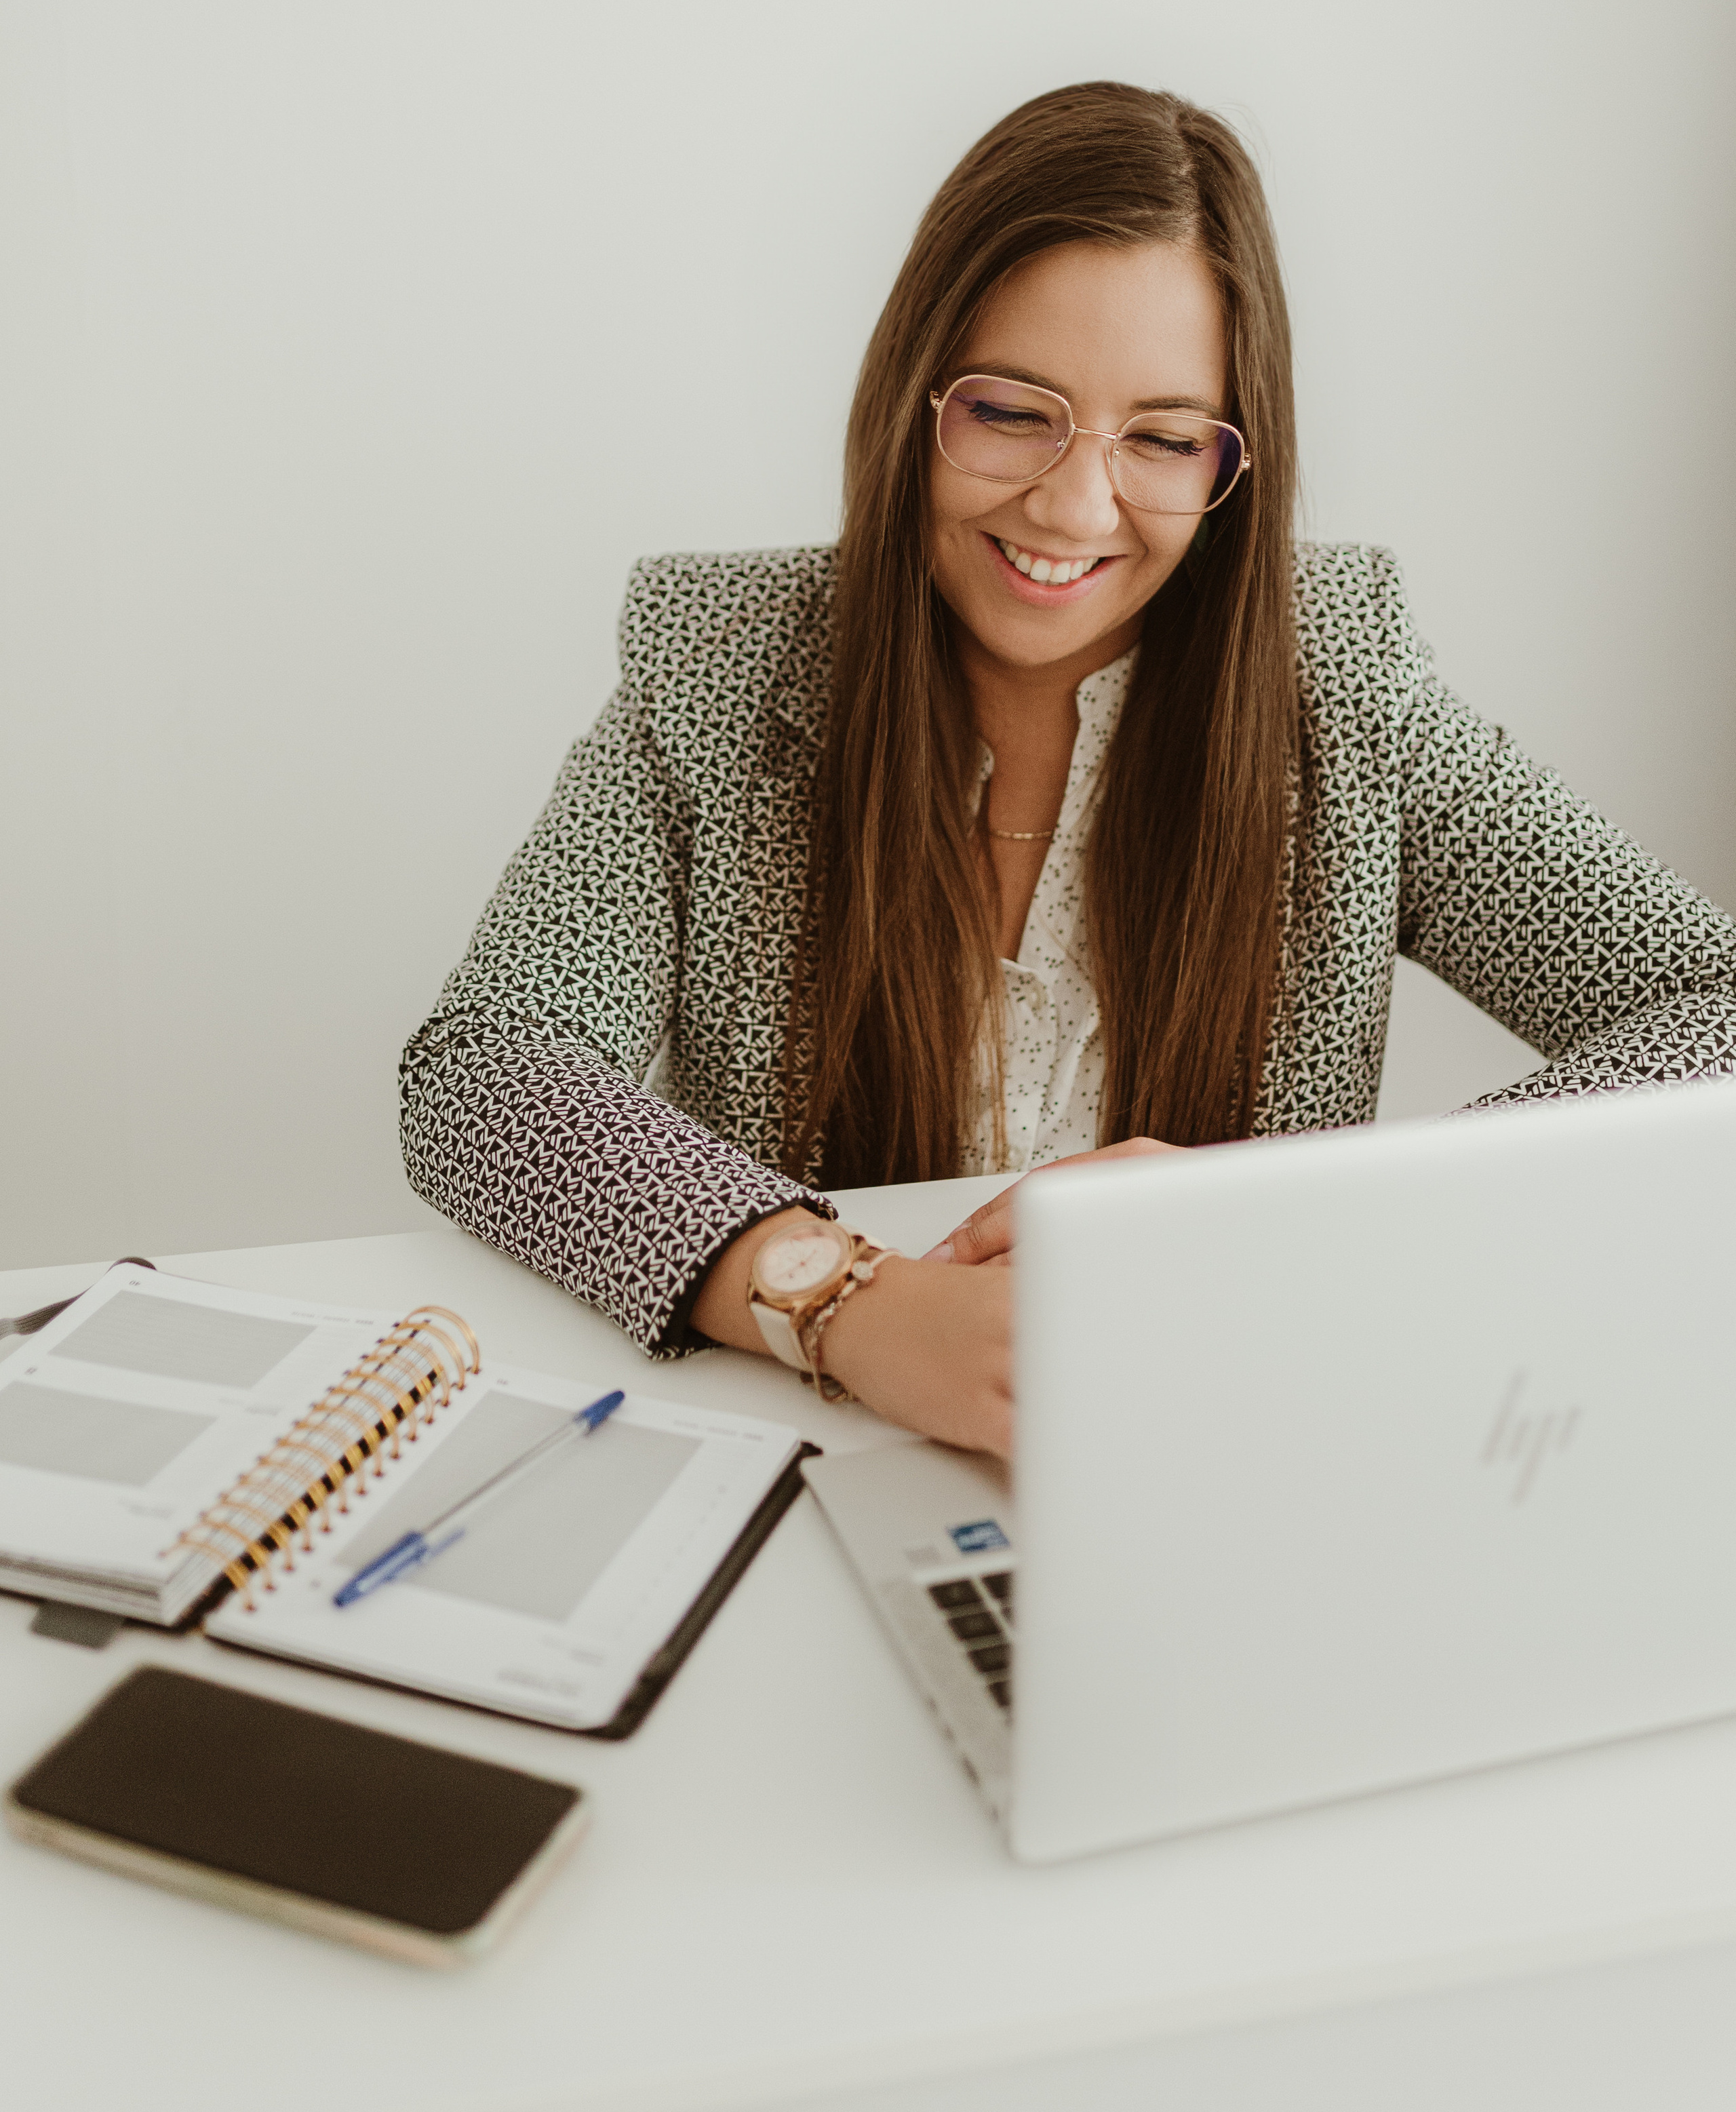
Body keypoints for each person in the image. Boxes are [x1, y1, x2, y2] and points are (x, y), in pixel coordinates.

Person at [400, 82, 1736, 1458]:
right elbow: (485, 1075)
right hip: (807, 1447)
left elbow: (1719, 1009)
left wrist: (1295, 1223)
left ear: (1231, 462)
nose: (1071, 506)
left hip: (1218, 1444)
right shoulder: (721, 672)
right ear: (912, 399)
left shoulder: (1342, 693)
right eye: (1011, 412)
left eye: (1159, 440)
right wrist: (846, 1304)